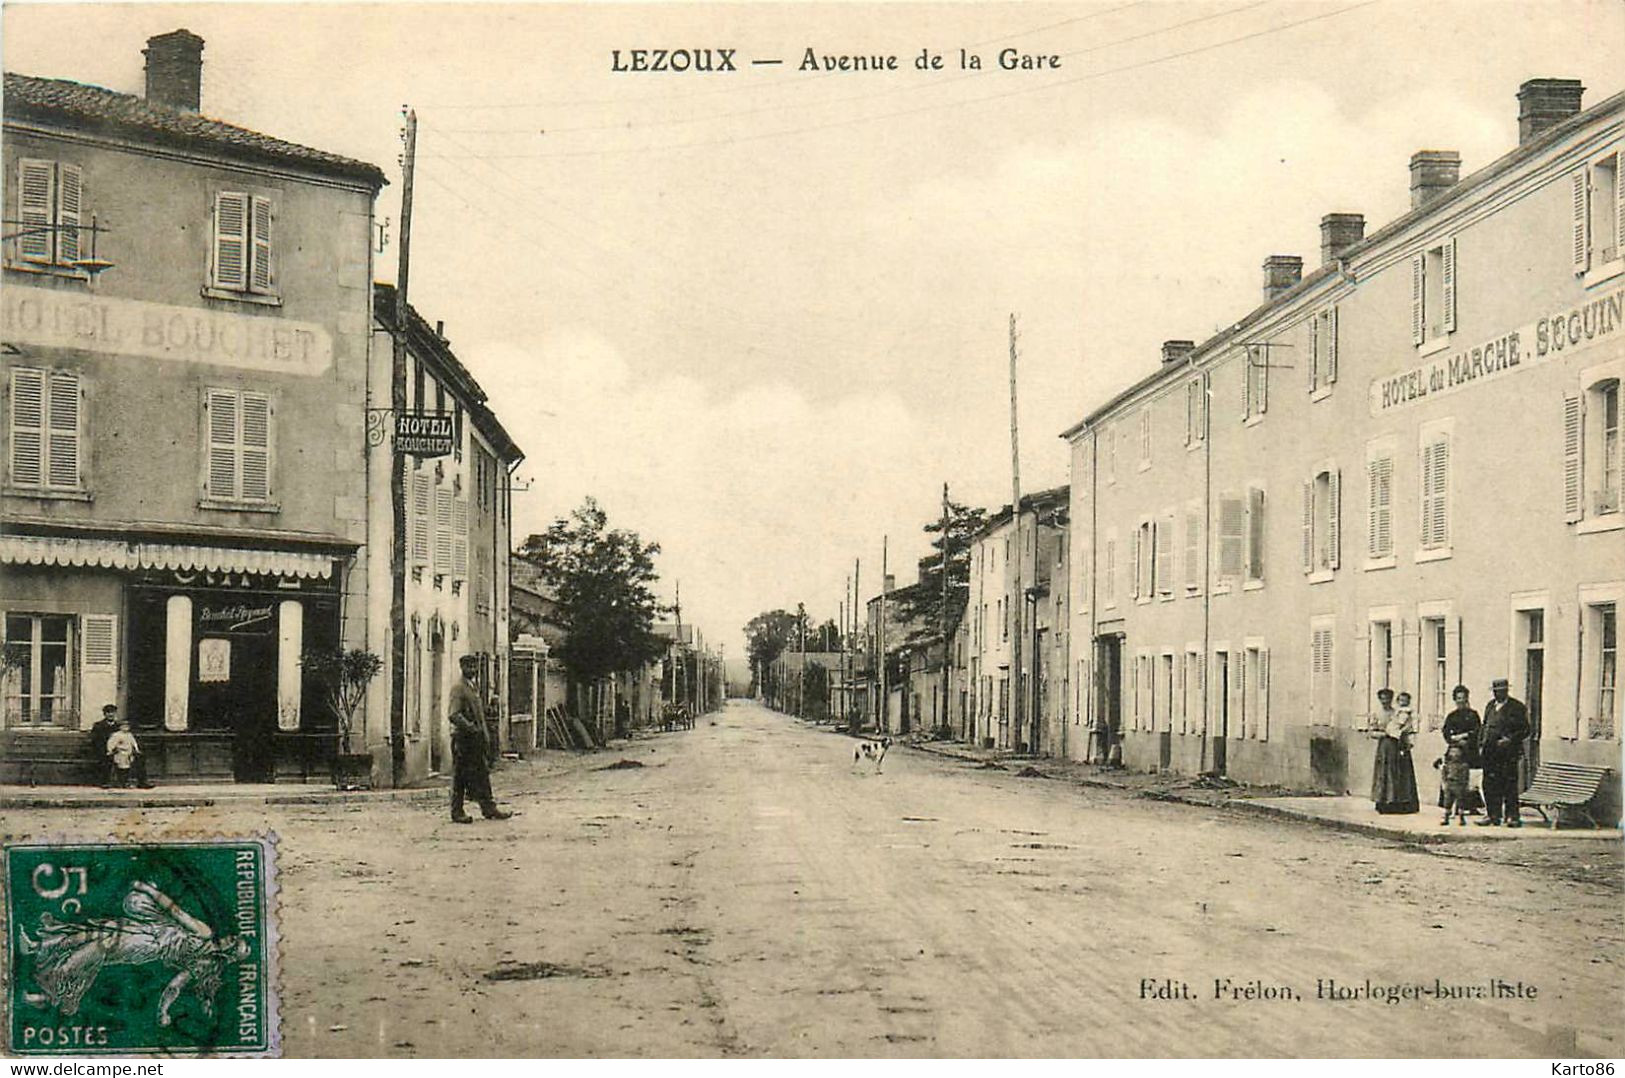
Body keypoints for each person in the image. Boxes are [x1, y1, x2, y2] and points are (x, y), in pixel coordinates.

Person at [449, 654, 511, 824]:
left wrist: (483, 730)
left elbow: (478, 713)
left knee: (482, 773)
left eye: (474, 666)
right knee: (461, 776)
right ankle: (457, 811)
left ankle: (489, 808)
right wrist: (471, 728)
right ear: (462, 668)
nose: (473, 670)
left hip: (475, 740)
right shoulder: (458, 688)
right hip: (463, 739)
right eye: (469, 667)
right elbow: (454, 715)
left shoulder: (473, 687)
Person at [1478, 678, 1530, 827]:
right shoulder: (1490, 706)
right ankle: (1492, 815)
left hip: (1508, 753)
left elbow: (1525, 729)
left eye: (1501, 690)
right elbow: (1484, 726)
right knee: (1489, 784)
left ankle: (1512, 816)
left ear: (1506, 690)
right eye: (1495, 691)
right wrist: (1481, 744)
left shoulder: (1517, 707)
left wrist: (1510, 739)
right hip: (1490, 752)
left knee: (1509, 784)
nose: (1498, 693)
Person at [1370, 688, 1419, 814]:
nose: (1385, 701)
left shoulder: (1396, 712)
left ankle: (1402, 803)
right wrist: (1384, 733)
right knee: (1385, 773)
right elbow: (1372, 732)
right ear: (1379, 699)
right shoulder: (1377, 714)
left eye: (1388, 698)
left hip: (1399, 745)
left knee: (1401, 773)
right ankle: (1384, 802)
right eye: (1382, 698)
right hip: (1385, 746)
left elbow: (1406, 725)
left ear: (1392, 699)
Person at [1440, 684, 1484, 814]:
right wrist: (1454, 739)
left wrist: (1466, 736)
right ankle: (1452, 806)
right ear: (1455, 699)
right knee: (1453, 777)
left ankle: (1470, 806)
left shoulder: (1473, 714)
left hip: (1470, 750)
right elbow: (1446, 732)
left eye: (1463, 698)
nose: (1461, 700)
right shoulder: (1451, 716)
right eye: (1458, 698)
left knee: (1469, 778)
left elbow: (1477, 731)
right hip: (1455, 751)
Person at [1435, 743, 1472, 825]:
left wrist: (1466, 786)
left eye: (1457, 752)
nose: (1454, 754)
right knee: (1447, 802)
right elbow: (1444, 774)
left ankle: (1461, 818)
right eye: (1452, 752)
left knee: (1461, 802)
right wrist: (1444, 783)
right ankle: (1446, 817)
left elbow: (1466, 777)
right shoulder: (1448, 765)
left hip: (1459, 785)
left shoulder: (1464, 766)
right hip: (1449, 784)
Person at [105, 718, 143, 789]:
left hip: (128, 753)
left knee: (128, 767)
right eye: (123, 726)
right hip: (120, 753)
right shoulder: (116, 735)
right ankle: (120, 782)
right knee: (120, 767)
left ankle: (126, 782)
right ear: (120, 727)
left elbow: (133, 743)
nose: (126, 728)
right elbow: (111, 743)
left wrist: (136, 749)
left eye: (127, 726)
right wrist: (110, 750)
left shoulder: (129, 735)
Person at [89, 704, 119, 787]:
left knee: (138, 758)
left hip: (118, 751)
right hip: (103, 750)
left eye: (112, 712)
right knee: (105, 760)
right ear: (104, 714)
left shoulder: (119, 726)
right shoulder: (98, 726)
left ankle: (141, 782)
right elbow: (95, 741)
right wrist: (106, 750)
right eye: (108, 712)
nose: (110, 714)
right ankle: (105, 782)